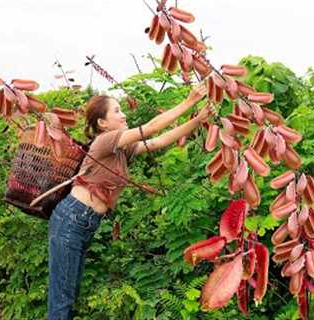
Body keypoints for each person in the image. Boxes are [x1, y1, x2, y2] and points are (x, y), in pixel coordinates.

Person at [47, 83, 209, 319]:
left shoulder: (121, 149)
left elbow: (158, 142)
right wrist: (190, 100)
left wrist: (198, 120)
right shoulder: (105, 141)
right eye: (117, 111)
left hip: (82, 222)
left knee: (68, 294)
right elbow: (151, 128)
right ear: (102, 123)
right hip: (72, 219)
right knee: (63, 300)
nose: (124, 115)